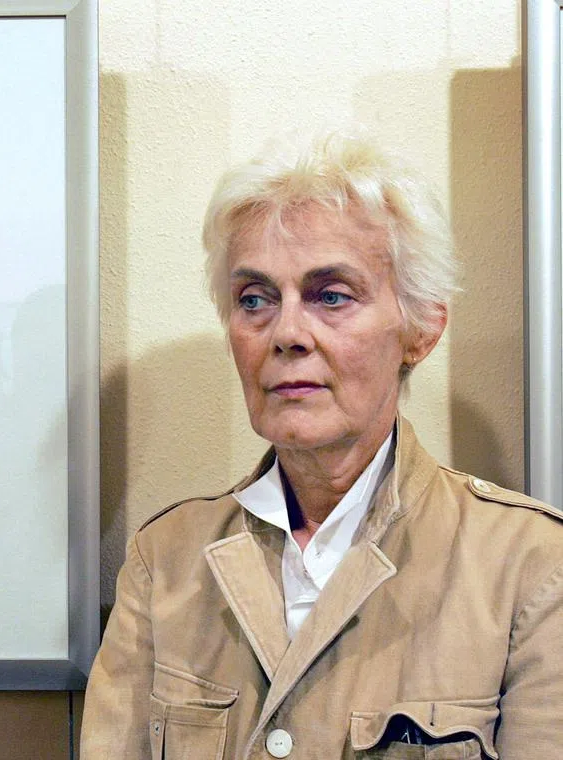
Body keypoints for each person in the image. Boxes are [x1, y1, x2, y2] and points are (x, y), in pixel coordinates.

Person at [80, 130, 563, 757]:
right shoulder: (166, 560)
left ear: (419, 329)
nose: (286, 333)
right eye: (253, 299)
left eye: (330, 295)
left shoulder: (530, 567)